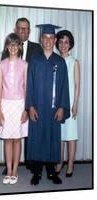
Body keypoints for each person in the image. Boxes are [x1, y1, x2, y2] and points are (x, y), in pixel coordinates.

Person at [25, 24, 70, 185]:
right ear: (41, 39)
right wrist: (30, 106)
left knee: (52, 139)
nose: (48, 41)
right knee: (36, 139)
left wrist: (62, 107)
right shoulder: (35, 60)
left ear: (55, 40)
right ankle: (36, 173)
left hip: (53, 110)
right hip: (37, 108)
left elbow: (65, 86)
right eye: (45, 38)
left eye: (51, 38)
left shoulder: (60, 62)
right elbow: (29, 84)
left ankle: (51, 173)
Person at [1, 18, 42, 174]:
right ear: (15, 29)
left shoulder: (37, 48)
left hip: (33, 95)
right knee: (12, 132)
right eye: (20, 28)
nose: (23, 31)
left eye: (26, 29)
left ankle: (31, 161)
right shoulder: (7, 50)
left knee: (30, 131)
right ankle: (10, 165)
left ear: (29, 31)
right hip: (12, 99)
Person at [0, 33, 28, 184]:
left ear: (20, 46)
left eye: (16, 44)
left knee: (17, 139)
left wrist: (26, 109)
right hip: (5, 105)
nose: (13, 47)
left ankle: (15, 170)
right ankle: (8, 170)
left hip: (20, 104)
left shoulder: (25, 64)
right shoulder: (1, 65)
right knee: (7, 139)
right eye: (10, 44)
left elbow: (26, 88)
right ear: (7, 47)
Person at [55, 30, 80, 177]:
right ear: (57, 43)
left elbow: (77, 85)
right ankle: (59, 162)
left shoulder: (74, 62)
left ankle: (70, 164)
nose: (63, 45)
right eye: (61, 42)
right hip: (58, 104)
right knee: (60, 136)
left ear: (70, 44)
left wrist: (75, 104)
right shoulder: (56, 61)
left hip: (70, 103)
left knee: (70, 135)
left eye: (66, 42)